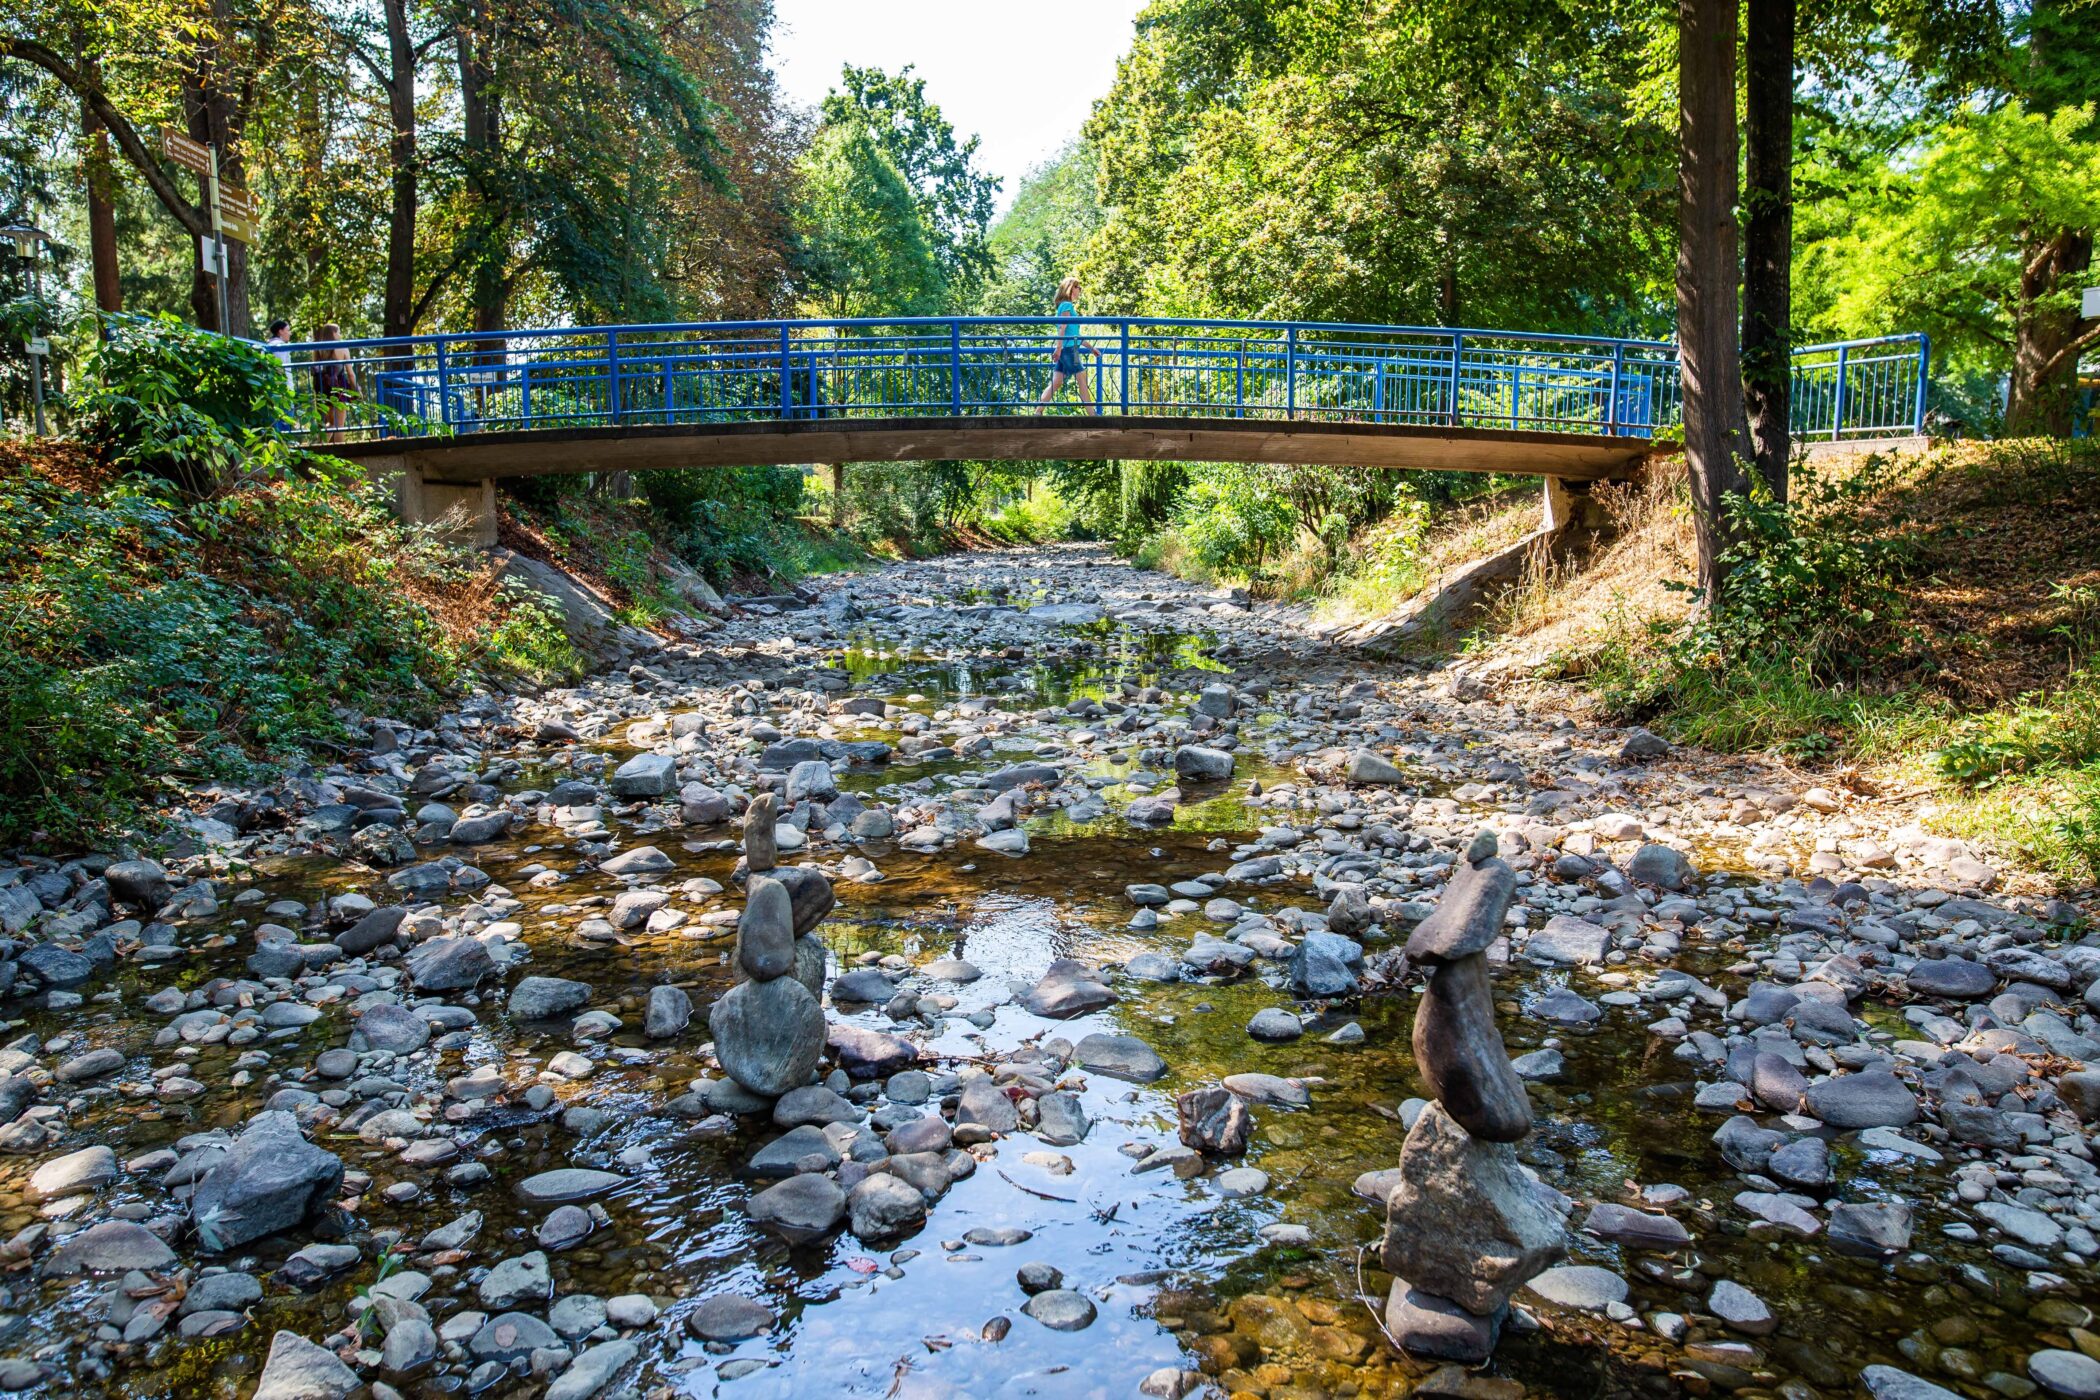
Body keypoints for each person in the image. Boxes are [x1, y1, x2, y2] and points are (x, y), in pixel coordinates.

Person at [1038, 276, 1093, 408]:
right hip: (1069, 350)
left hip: (1067, 348)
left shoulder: (1065, 306)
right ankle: (1092, 415)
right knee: (1082, 379)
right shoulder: (1067, 305)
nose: (1080, 289)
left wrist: (1092, 348)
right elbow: (1062, 327)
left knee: (1057, 382)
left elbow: (1074, 334)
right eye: (1077, 287)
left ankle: (1038, 411)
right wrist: (1058, 348)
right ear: (1070, 289)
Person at [311, 322, 359, 436]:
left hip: (323, 388)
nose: (340, 335)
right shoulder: (342, 348)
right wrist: (356, 389)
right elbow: (351, 373)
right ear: (333, 333)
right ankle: (340, 451)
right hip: (338, 386)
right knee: (339, 425)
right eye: (339, 332)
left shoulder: (318, 348)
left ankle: (321, 447)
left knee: (331, 423)